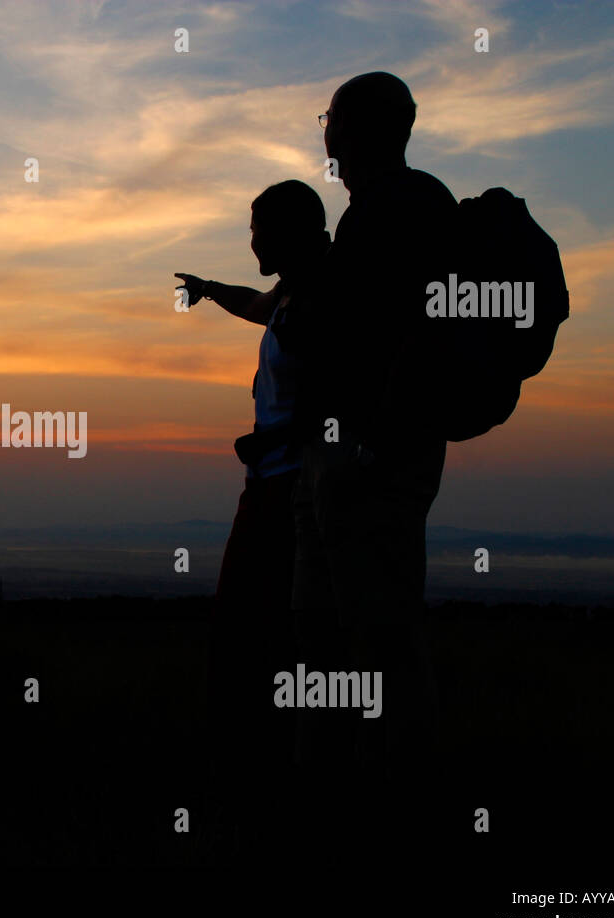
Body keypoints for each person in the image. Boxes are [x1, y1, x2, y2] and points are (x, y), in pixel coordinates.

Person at [286, 73, 456, 794]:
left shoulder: (400, 208)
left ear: (352, 127)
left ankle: (399, 792)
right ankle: (336, 778)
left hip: (371, 460)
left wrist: (369, 445)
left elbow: (414, 341)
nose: (323, 130)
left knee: (380, 634)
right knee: (328, 631)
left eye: (329, 116)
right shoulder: (387, 208)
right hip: (350, 456)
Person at [174, 179, 330, 858]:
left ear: (292, 230)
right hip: (271, 485)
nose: (252, 239)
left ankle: (267, 791)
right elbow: (259, 307)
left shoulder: (325, 296)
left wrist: (276, 445)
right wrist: (211, 289)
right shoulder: (297, 291)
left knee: (259, 632)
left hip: (293, 494)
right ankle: (266, 779)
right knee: (259, 633)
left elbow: (333, 402)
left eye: (259, 228)